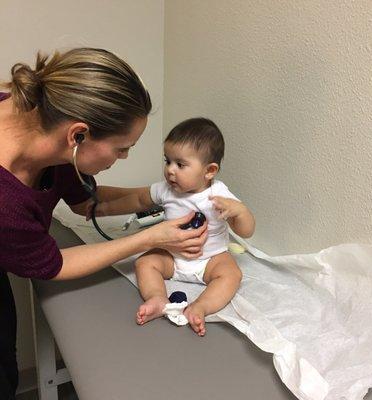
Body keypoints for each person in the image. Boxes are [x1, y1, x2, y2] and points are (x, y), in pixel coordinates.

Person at [0, 48, 207, 400]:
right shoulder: (6, 201)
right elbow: (54, 264)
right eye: (122, 148)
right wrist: (151, 238)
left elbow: (84, 202)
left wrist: (156, 194)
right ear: (78, 136)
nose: (124, 157)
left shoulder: (47, 117)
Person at [93, 118, 255, 336]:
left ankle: (201, 307)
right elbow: (138, 200)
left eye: (180, 164)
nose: (170, 170)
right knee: (145, 262)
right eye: (167, 161)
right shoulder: (165, 190)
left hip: (209, 259)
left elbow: (246, 231)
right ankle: (157, 298)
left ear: (209, 171)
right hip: (172, 257)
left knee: (231, 274)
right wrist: (105, 208)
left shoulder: (218, 195)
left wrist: (241, 212)